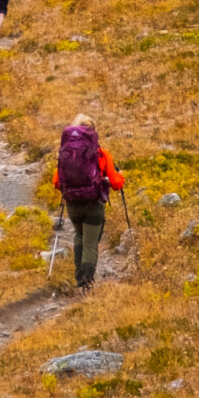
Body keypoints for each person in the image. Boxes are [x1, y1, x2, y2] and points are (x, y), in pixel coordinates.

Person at [54, 115, 125, 289]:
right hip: (94, 204)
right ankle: (86, 282)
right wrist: (120, 176)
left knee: (79, 236)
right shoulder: (101, 153)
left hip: (73, 204)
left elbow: (56, 181)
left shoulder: (66, 151)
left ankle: (79, 277)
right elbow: (116, 183)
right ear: (93, 132)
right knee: (91, 243)